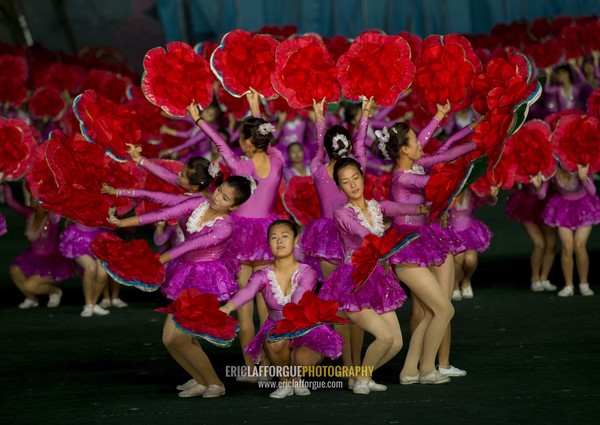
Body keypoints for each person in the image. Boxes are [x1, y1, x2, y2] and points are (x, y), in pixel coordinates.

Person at [107, 175, 253, 398]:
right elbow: (162, 210)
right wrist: (120, 212)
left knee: (181, 338)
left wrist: (159, 260)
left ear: (233, 206)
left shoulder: (225, 227)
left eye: (224, 198)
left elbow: (192, 244)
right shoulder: (199, 203)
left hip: (206, 282)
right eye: (219, 190)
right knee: (169, 339)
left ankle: (215, 383)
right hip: (186, 273)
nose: (217, 197)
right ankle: (201, 380)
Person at [189, 89, 285, 377]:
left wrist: (199, 121)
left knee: (244, 309)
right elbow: (264, 138)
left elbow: (219, 143)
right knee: (267, 306)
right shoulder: (278, 159)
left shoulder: (241, 165)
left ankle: (251, 367)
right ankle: (269, 361)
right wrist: (255, 107)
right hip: (267, 237)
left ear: (245, 141)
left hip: (242, 239)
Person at [381, 102, 476, 383]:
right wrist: (470, 163)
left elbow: (435, 150)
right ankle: (428, 369)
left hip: (421, 239)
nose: (421, 145)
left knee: (428, 313)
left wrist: (473, 138)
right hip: (407, 246)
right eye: (414, 143)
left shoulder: (414, 162)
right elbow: (441, 173)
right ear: (404, 151)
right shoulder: (405, 178)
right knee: (444, 309)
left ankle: (410, 371)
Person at [318, 157, 426, 394]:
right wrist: (382, 242)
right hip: (354, 282)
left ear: (363, 177)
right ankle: (362, 380)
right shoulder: (342, 215)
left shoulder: (377, 207)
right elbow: (363, 233)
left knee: (396, 342)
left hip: (377, 278)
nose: (353, 185)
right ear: (339, 187)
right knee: (385, 337)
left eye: (356, 178)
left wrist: (424, 208)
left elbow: (402, 208)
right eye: (346, 182)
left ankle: (362, 377)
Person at [220, 220, 343, 398]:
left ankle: (296, 378)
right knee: (274, 341)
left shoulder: (307, 272)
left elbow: (301, 291)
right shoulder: (262, 275)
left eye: (285, 236)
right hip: (277, 328)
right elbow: (248, 291)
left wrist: (294, 304)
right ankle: (285, 382)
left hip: (305, 329)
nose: (279, 241)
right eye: (274, 238)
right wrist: (228, 307)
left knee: (301, 360)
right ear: (268, 243)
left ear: (295, 241)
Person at [298, 97, 373, 381]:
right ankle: (353, 367)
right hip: (347, 238)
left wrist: (319, 117)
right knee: (354, 303)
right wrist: (364, 115)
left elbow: (319, 150)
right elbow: (361, 147)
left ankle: (349, 365)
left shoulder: (318, 170)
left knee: (341, 304)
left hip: (328, 240)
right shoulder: (356, 169)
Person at [4, 184, 73, 308]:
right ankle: (32, 299)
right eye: (31, 196)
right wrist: (5, 185)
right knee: (14, 271)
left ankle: (55, 291)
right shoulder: (29, 214)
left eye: (35, 197)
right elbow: (11, 202)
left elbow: (58, 208)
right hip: (32, 257)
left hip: (51, 261)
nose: (31, 198)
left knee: (30, 285)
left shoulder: (52, 218)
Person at [540, 165, 600, 296]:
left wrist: (584, 178)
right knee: (567, 246)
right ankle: (569, 286)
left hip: (585, 207)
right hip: (563, 208)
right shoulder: (553, 168)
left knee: (579, 245)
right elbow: (541, 195)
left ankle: (584, 284)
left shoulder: (581, 164)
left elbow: (592, 191)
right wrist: (537, 185)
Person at [505, 175, 557, 292]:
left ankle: (544, 278)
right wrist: (516, 182)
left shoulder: (548, 164)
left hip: (546, 204)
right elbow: (512, 185)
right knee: (540, 244)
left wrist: (539, 187)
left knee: (551, 244)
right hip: (526, 205)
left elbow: (543, 193)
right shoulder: (521, 163)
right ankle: (535, 279)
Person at [448, 187, 497, 300]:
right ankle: (455, 285)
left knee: (470, 261)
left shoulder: (472, 192)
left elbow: (486, 199)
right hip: (452, 233)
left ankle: (466, 280)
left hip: (469, 231)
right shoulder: (450, 191)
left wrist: (491, 196)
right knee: (458, 258)